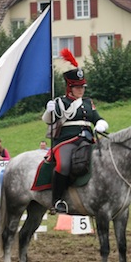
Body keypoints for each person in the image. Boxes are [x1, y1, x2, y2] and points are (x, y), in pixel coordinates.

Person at [41, 48, 108, 214]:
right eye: (77, 87)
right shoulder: (60, 102)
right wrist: (49, 110)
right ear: (69, 87)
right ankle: (57, 201)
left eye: (82, 87)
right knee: (63, 165)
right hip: (66, 141)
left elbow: (97, 118)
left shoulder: (87, 102)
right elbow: (49, 121)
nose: (81, 90)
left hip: (87, 140)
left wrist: (100, 124)